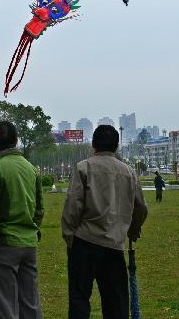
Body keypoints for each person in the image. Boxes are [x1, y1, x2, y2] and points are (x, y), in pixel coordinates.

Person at [62, 125, 148, 319]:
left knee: (79, 298)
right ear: (116, 146)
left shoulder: (84, 167)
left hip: (84, 241)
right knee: (116, 301)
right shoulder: (129, 172)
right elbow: (141, 208)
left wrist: (69, 236)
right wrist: (132, 231)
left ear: (93, 144)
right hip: (114, 244)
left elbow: (73, 206)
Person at [0, 121, 44, 319]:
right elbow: (39, 209)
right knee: (31, 305)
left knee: (4, 307)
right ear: (16, 141)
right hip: (29, 244)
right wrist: (31, 230)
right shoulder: (31, 168)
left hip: (3, 245)